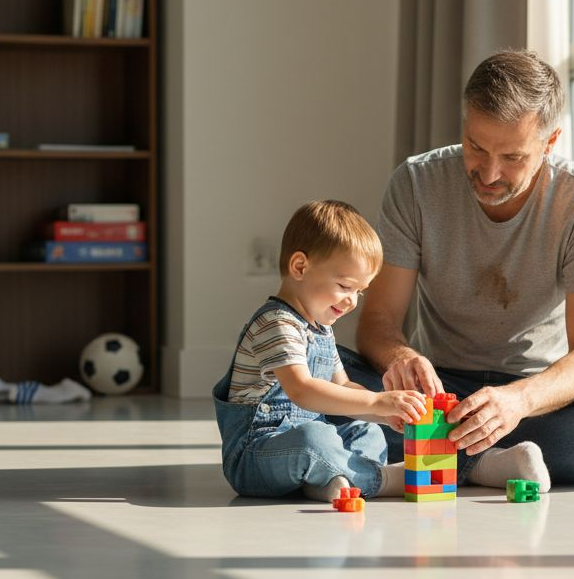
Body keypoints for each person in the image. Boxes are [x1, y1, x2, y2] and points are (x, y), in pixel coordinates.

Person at [340, 49, 574, 489]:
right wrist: (403, 358)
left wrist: (519, 400)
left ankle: (433, 455)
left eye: (512, 156)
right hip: (432, 396)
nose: (489, 173)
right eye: (476, 147)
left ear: (550, 143)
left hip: (534, 401)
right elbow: (378, 319)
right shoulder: (416, 183)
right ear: (464, 125)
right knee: (304, 367)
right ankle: (490, 463)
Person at [213, 200, 549, 501]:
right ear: (300, 267)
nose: (352, 301)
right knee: (314, 439)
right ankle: (388, 479)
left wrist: (380, 414)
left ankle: (334, 481)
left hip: (297, 444)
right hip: (256, 454)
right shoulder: (277, 323)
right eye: (345, 286)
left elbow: (343, 386)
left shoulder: (320, 328)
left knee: (367, 430)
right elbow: (302, 389)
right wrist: (375, 400)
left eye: (360, 291)